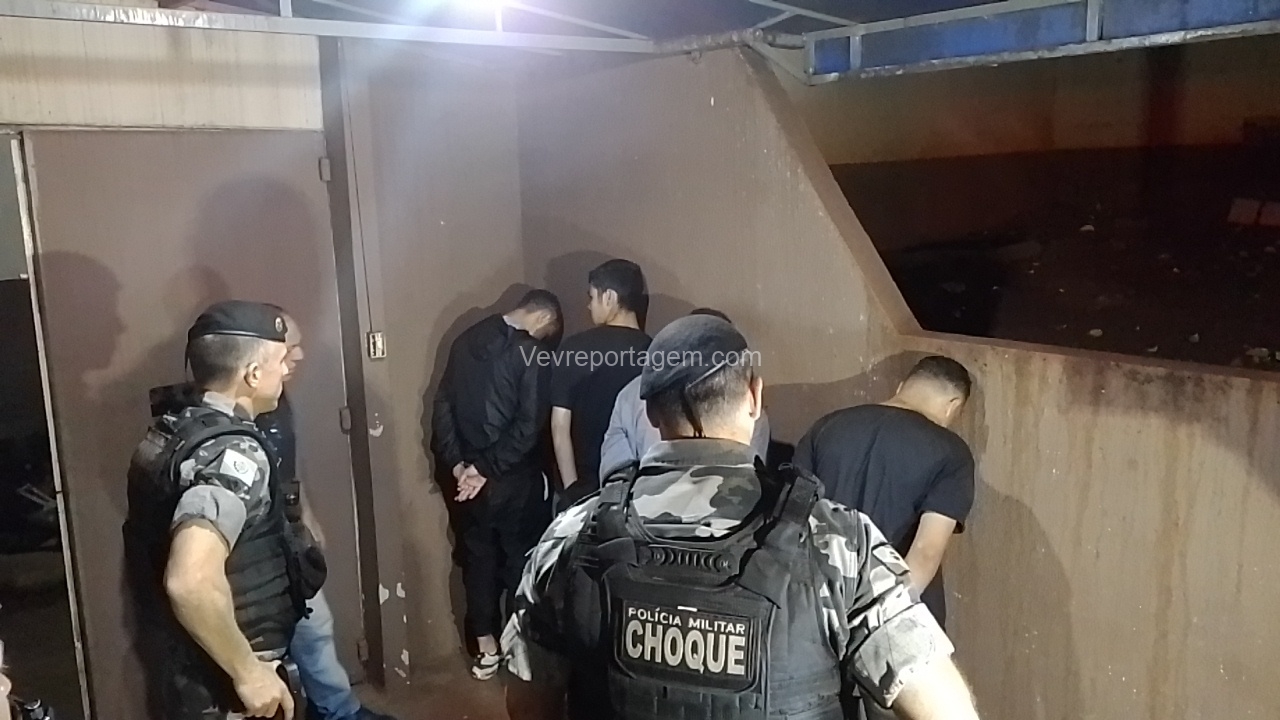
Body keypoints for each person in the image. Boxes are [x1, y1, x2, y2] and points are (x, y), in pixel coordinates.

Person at [501, 316, 982, 720]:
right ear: (754, 396)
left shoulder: (572, 533)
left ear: (649, 413)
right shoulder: (839, 541)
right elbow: (944, 708)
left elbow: (527, 702)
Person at [124, 301, 299, 720]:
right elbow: (191, 581)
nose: (287, 370)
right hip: (224, 683)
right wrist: (249, 674)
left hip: (184, 658)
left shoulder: (176, 428)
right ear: (252, 374)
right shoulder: (232, 454)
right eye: (281, 360)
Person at [255, 308, 396, 720]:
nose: (298, 356)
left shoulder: (277, 398)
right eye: (290, 347)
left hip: (289, 536)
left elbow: (288, 465)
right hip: (254, 553)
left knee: (315, 626)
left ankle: (336, 710)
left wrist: (307, 516)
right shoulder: (227, 420)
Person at [431, 290, 563, 681]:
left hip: (467, 484)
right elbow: (529, 425)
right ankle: (518, 649)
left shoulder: (464, 341)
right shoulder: (532, 355)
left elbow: (442, 407)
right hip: (516, 479)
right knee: (522, 562)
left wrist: (460, 466)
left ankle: (486, 648)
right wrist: (485, 468)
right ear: (543, 319)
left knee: (478, 562)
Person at [793, 355, 976, 630]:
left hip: (817, 610)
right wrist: (875, 624)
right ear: (953, 405)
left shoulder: (826, 427)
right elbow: (926, 551)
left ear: (901, 387)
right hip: (896, 624)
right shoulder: (952, 453)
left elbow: (792, 520)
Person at [598, 308, 770, 479]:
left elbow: (615, 474)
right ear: (755, 397)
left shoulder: (631, 395)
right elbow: (755, 471)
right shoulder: (752, 408)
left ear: (651, 410)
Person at [549, 260, 651, 505]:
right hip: (636, 487)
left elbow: (559, 425)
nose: (589, 305)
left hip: (585, 483)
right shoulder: (656, 352)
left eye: (592, 297)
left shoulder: (574, 348)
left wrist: (572, 490)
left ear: (610, 298)